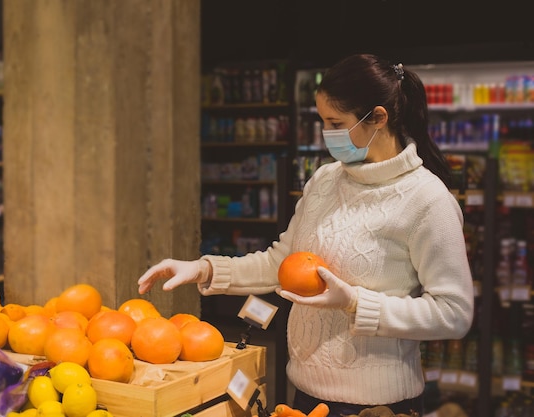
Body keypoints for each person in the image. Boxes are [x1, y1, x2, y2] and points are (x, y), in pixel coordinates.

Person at [137, 53, 474, 416]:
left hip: (377, 406)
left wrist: (355, 303)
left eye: (335, 122)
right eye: (322, 121)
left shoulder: (426, 199)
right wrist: (205, 270)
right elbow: (280, 263)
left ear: (378, 117)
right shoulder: (325, 181)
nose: (326, 134)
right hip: (305, 395)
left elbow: (454, 313)